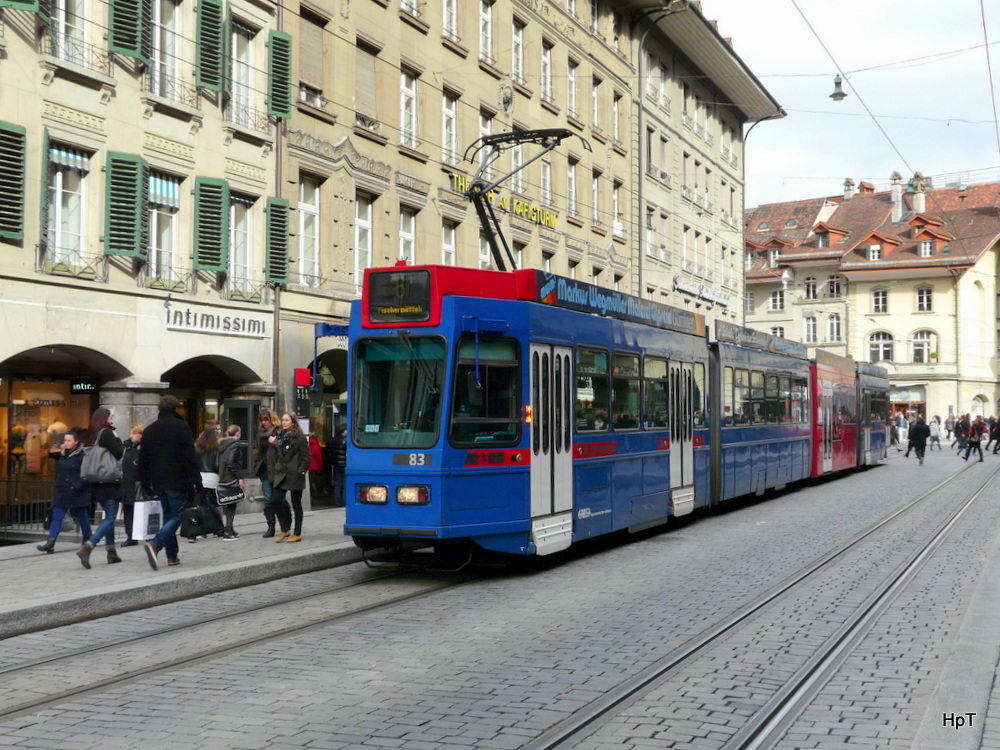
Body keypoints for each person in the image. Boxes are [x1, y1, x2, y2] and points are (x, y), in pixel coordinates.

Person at [139, 395, 202, 570]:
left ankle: (172, 556)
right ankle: (156, 544)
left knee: (168, 517)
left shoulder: (150, 430)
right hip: (178, 479)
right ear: (176, 409)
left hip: (158, 481)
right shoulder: (181, 427)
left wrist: (145, 483)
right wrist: (197, 480)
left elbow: (143, 459)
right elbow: (190, 456)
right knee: (177, 516)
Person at [76, 408, 126, 569]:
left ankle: (111, 552)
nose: (112, 420)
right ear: (105, 419)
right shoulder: (106, 434)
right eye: (111, 417)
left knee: (107, 517)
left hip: (96, 482)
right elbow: (119, 453)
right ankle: (88, 546)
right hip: (109, 481)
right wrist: (118, 439)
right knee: (111, 517)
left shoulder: (90, 435)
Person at [36, 428, 90, 554]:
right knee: (56, 516)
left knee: (82, 517)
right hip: (62, 490)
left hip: (77, 491)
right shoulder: (62, 454)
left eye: (69, 440)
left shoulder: (82, 455)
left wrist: (77, 486)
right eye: (65, 440)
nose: (66, 443)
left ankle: (87, 539)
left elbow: (86, 474)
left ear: (76, 441)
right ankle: (51, 542)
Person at [270, 412, 310, 543]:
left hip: (294, 475)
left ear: (293, 422)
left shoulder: (299, 437)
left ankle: (297, 533)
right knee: (275, 500)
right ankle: (285, 529)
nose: (284, 422)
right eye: (283, 420)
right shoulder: (281, 436)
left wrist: (301, 471)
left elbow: (306, 457)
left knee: (296, 504)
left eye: (287, 420)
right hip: (282, 474)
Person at [192, 420, 225, 541]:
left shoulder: (198, 446)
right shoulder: (216, 447)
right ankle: (218, 527)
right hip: (212, 477)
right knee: (214, 505)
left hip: (200, 477)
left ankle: (200, 530)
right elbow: (217, 464)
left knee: (201, 504)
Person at [253, 409, 282, 537]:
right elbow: (258, 450)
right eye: (262, 420)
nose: (264, 422)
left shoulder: (278, 431)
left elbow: (284, 449)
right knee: (268, 498)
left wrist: (274, 442)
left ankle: (285, 524)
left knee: (278, 499)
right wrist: (257, 464)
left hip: (276, 470)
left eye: (266, 420)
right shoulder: (260, 433)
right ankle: (271, 526)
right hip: (264, 469)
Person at [217, 425, 246, 540]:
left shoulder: (223, 445)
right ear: (237, 434)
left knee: (227, 503)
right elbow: (230, 462)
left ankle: (229, 528)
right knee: (232, 504)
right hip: (231, 477)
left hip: (223, 476)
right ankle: (228, 530)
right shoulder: (234, 445)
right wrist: (239, 477)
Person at [119, 424, 143, 545]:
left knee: (139, 510)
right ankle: (131, 536)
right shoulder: (126, 447)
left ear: (141, 435)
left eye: (135, 433)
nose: (132, 436)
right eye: (131, 433)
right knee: (128, 510)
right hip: (126, 482)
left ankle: (142, 533)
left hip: (138, 483)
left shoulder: (144, 448)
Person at [331, 426, 347, 508]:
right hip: (345, 464)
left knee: (337, 484)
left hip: (336, 464)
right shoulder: (347, 440)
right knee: (345, 484)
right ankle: (344, 502)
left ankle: (337, 502)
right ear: (345, 430)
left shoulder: (334, 440)